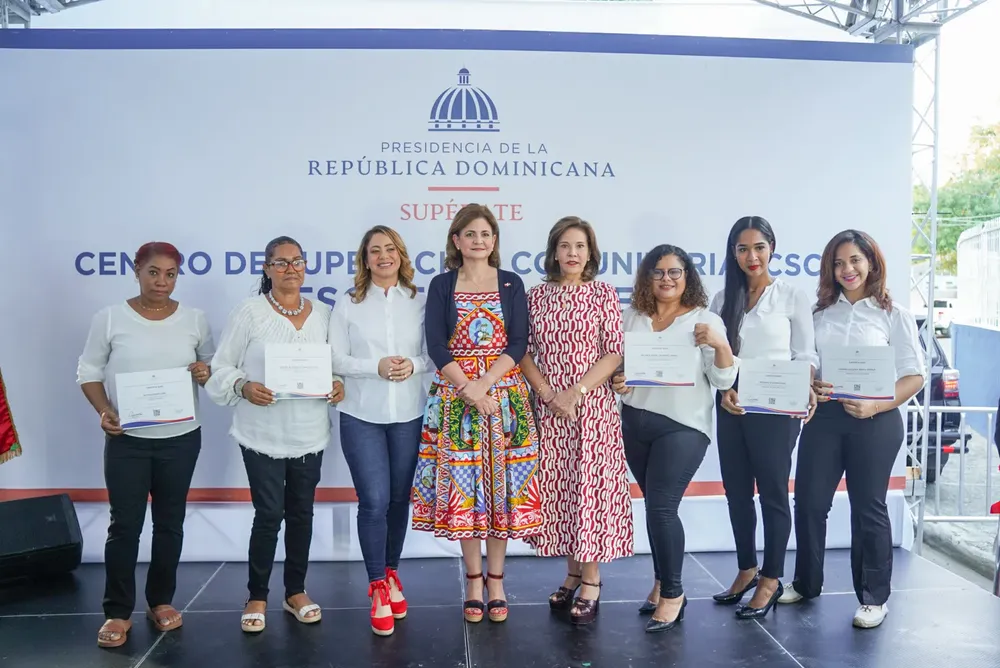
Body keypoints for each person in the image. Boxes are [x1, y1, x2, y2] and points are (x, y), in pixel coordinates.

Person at [780, 229, 925, 629]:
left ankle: (874, 598)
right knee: (809, 503)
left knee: (868, 508)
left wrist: (875, 405)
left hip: (877, 421)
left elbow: (914, 377)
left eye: (855, 260)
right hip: (825, 417)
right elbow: (806, 362)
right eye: (839, 262)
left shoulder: (893, 315)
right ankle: (807, 583)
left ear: (872, 262)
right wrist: (810, 382)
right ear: (830, 268)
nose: (848, 269)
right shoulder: (818, 314)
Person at [76, 242, 215, 648]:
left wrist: (205, 371)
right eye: (153, 272)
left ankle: (161, 601)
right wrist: (104, 410)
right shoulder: (110, 318)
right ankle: (118, 612)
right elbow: (88, 370)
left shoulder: (195, 319)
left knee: (169, 524)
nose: (162, 281)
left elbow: (209, 370)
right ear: (136, 270)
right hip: (128, 440)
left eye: (171, 274)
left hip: (181, 439)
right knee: (125, 527)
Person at [206, 236, 344, 634]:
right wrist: (243, 386)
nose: (290, 269)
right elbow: (221, 366)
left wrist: (336, 384)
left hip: (309, 432)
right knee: (269, 515)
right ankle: (257, 595)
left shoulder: (323, 314)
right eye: (280, 263)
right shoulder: (249, 313)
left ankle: (295, 591)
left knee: (301, 514)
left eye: (297, 261)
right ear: (266, 269)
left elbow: (334, 365)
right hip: (261, 433)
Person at [411, 203, 543, 625]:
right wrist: (467, 387)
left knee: (501, 491)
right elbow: (436, 344)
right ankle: (472, 581)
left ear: (495, 241)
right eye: (470, 234)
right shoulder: (441, 285)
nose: (478, 241)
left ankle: (498, 581)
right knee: (466, 490)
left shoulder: (511, 283)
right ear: (456, 241)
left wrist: (484, 384)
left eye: (486, 234)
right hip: (455, 401)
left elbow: (519, 342)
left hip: (503, 399)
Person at [610, 245, 737, 633]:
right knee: (655, 507)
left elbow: (722, 381)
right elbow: (624, 372)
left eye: (675, 272)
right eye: (659, 272)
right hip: (635, 422)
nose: (667, 279)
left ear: (688, 277)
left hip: (683, 426)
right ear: (647, 277)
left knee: (662, 508)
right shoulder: (632, 316)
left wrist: (720, 346)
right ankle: (662, 581)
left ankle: (674, 594)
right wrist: (620, 381)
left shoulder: (705, 319)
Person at [520, 216, 632, 625]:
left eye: (580, 246)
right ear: (554, 251)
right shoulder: (536, 296)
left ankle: (592, 580)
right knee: (561, 493)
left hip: (592, 409)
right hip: (549, 411)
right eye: (565, 246)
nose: (572, 253)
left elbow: (613, 353)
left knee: (590, 493)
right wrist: (550, 395)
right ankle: (571, 573)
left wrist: (574, 392)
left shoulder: (602, 294)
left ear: (590, 252)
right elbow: (523, 352)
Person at [709, 216, 818, 619]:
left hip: (777, 408)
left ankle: (771, 578)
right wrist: (724, 390)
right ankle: (747, 569)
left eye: (758, 247)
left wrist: (804, 384)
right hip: (733, 405)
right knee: (736, 492)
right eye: (742, 248)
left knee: (772, 493)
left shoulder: (790, 296)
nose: (751, 256)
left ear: (772, 247)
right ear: (732, 253)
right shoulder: (722, 300)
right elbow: (712, 355)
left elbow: (807, 354)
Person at [329, 225, 429, 637]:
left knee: (398, 499)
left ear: (401, 255)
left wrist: (413, 365)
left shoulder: (420, 301)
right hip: (361, 414)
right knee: (373, 501)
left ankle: (391, 575)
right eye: (375, 250)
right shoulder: (348, 303)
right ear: (364, 259)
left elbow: (433, 355)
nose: (383, 256)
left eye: (390, 249)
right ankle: (376, 587)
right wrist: (376, 366)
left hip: (408, 414)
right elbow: (334, 357)